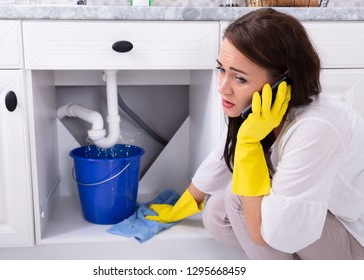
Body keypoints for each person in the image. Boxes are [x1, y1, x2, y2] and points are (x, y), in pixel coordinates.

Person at [146, 8, 364, 260]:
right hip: (314, 221)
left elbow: (271, 235)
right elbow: (221, 159)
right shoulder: (262, 111)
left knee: (238, 198)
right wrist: (181, 206)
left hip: (353, 240)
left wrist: (248, 145)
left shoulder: (317, 127)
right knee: (216, 213)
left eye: (239, 78)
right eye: (222, 69)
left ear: (282, 83)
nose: (223, 88)